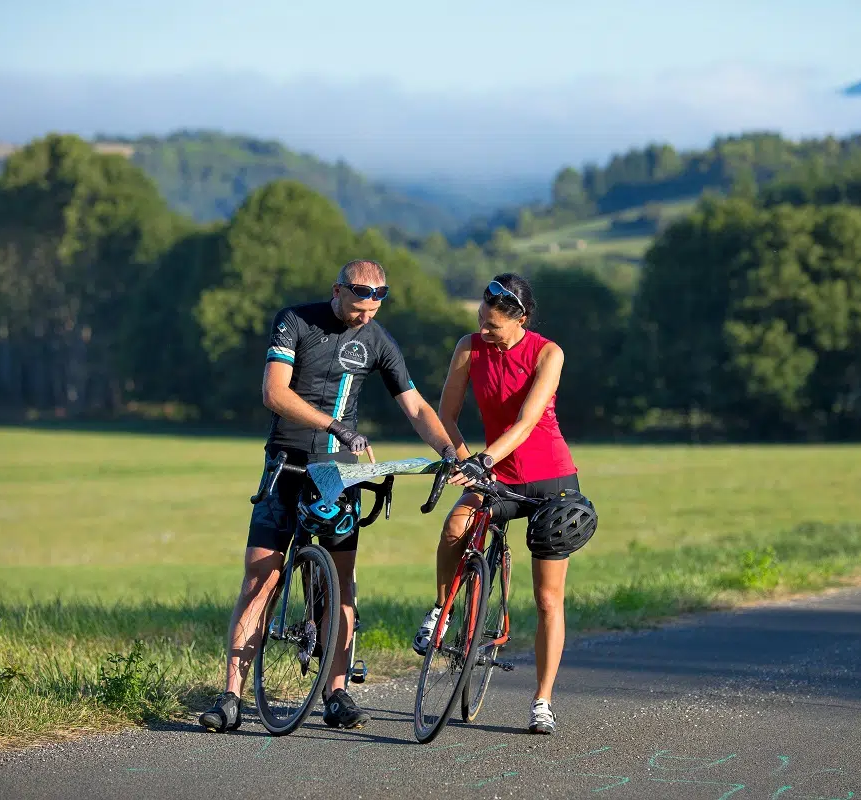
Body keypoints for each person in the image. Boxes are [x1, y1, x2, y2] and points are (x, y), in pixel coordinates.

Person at [200, 259, 457, 733]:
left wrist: (449, 450)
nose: (365, 318)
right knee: (260, 576)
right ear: (336, 290)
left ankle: (336, 692)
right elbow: (274, 393)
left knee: (341, 583)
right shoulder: (295, 321)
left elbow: (416, 405)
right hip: (287, 461)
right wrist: (333, 425)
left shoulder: (378, 339)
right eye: (357, 308)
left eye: (373, 310)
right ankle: (231, 696)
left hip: (337, 473)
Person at [413, 273, 590, 736]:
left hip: (552, 480)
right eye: (480, 321)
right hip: (497, 473)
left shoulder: (548, 353)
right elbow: (446, 414)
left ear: (521, 321)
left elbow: (529, 421)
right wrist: (469, 461)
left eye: (493, 325)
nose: (484, 331)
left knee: (549, 598)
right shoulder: (468, 348)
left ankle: (542, 701)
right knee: (456, 527)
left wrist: (486, 458)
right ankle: (443, 609)